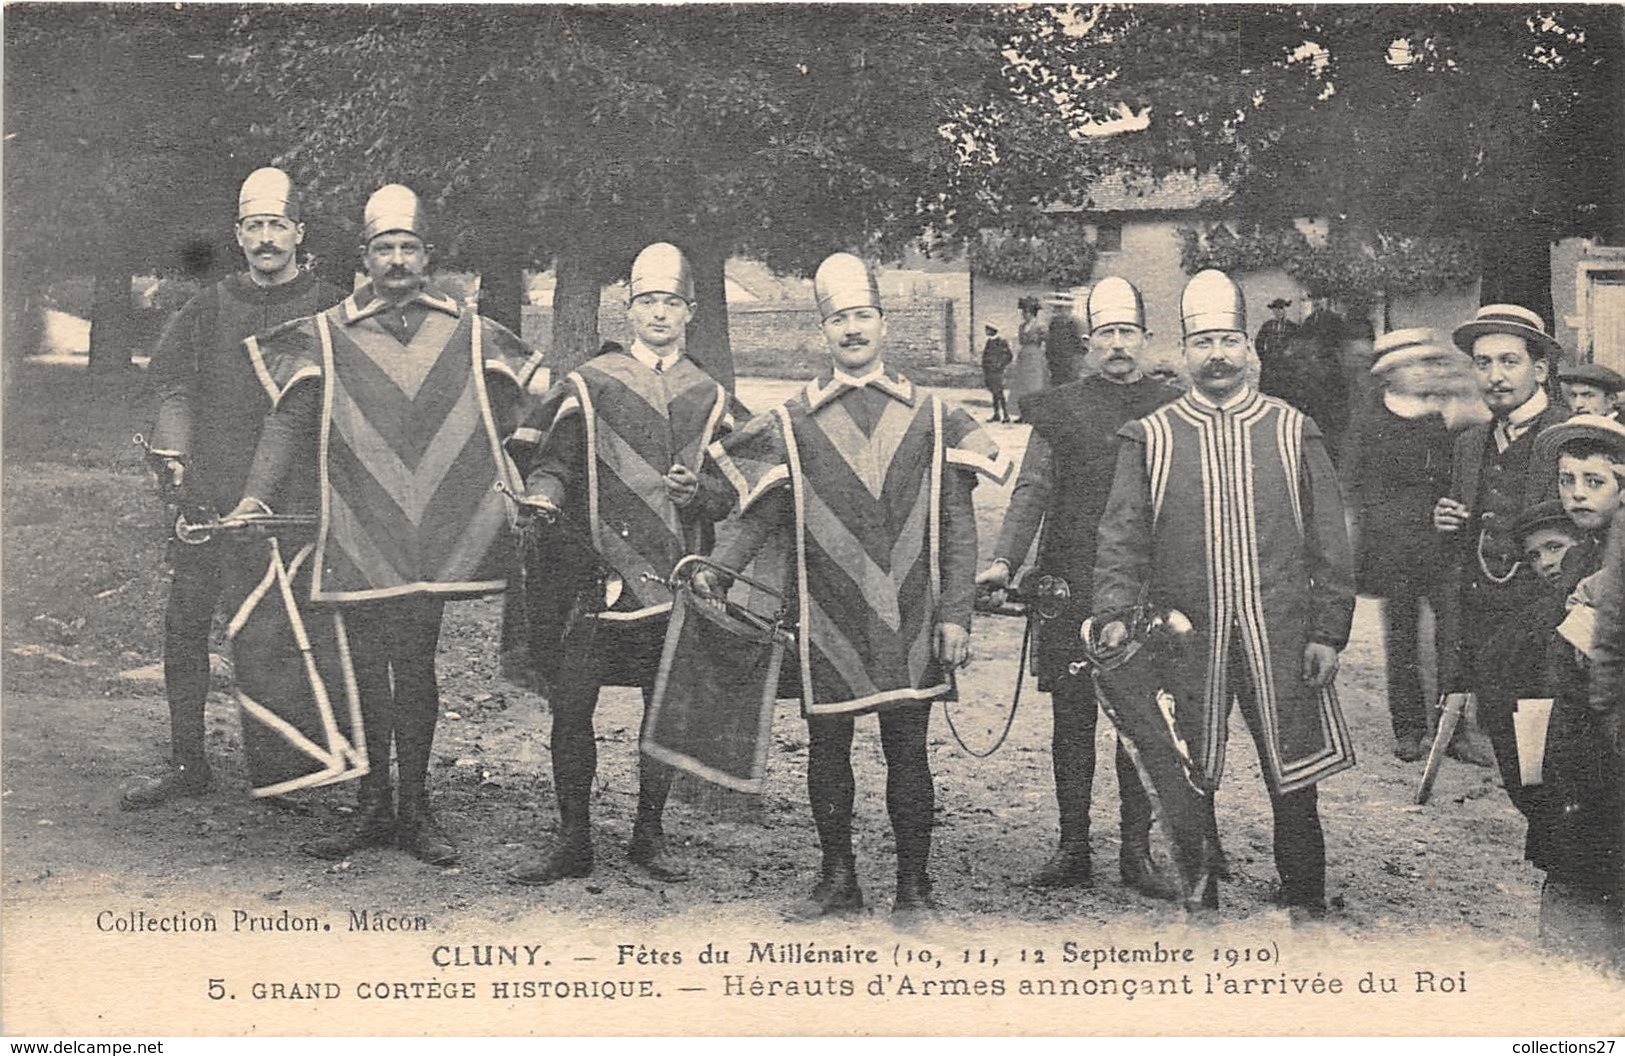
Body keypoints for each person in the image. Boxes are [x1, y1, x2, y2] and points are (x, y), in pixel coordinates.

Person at [228, 184, 542, 864]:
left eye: (407, 247)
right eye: (383, 249)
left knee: (417, 665)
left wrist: (522, 478)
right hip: (360, 527)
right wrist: (256, 496)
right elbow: (285, 417)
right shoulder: (327, 332)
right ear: (364, 258)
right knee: (367, 667)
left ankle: (416, 807)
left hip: (437, 535)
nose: (396, 260)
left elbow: (512, 413)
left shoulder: (468, 331)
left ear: (427, 256)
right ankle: (372, 805)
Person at [696, 252, 1007, 918]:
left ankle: (913, 888)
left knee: (907, 752)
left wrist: (956, 615)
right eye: (838, 319)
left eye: (862, 315)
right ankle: (838, 879)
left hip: (913, 613)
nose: (852, 329)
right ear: (823, 330)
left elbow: (957, 526)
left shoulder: (933, 416)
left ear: (883, 324)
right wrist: (717, 570)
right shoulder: (794, 421)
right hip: (824, 614)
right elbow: (763, 513)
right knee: (827, 747)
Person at [1093, 269, 1356, 917]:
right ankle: (1200, 892)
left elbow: (1331, 540)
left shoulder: (1293, 430)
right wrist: (1114, 613)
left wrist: (1327, 629)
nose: (1216, 355)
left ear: (1250, 350)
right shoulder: (1150, 436)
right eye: (1202, 342)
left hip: (1283, 633)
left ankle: (1304, 897)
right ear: (1181, 354)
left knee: (1293, 774)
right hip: (1186, 637)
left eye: (1228, 342)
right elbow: (1121, 535)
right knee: (1191, 772)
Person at [506, 243, 738, 886]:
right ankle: (573, 837)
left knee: (661, 709)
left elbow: (738, 487)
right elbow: (552, 462)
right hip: (595, 574)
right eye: (646, 302)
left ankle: (648, 834)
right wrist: (543, 500)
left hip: (677, 577)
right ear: (628, 309)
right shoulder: (591, 383)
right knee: (572, 704)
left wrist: (703, 494)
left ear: (689, 311)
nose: (658, 314)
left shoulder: (708, 394)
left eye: (670, 302)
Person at [124, 167, 347, 809]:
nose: (267, 238)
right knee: (187, 624)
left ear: (299, 233)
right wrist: (175, 453)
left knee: (282, 631)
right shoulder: (211, 304)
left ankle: (284, 767)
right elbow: (170, 381)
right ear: (239, 235)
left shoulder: (331, 306)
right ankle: (187, 762)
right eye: (256, 226)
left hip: (298, 503)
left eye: (279, 225)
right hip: (211, 496)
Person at [974, 276, 1180, 893]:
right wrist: (1005, 562)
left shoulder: (1174, 407)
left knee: (1142, 718)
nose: (1118, 345)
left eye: (1129, 333)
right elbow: (1032, 488)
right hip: (1069, 580)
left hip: (1146, 587)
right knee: (1073, 718)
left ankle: (1136, 852)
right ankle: (1072, 846)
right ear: (1090, 343)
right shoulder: (1059, 408)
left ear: (1146, 339)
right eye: (1107, 334)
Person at [1432, 304, 1572, 799]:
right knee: (1516, 771)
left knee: (1560, 768)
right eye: (1484, 363)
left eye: (1509, 362)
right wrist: (1447, 523)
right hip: (1489, 633)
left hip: (1552, 634)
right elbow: (1462, 548)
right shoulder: (1470, 443)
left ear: (1539, 370)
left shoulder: (1568, 436)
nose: (1495, 376)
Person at [1526, 416, 1625, 955]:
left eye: (1594, 482)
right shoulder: (1583, 551)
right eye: (1568, 480)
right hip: (1578, 735)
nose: (1577, 495)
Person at [1346, 330, 1458, 762]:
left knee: (1453, 633)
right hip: (1394, 547)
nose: (1423, 373)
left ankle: (1453, 724)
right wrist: (1403, 518)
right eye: (1413, 365)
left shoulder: (1439, 419)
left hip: (1442, 545)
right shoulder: (1371, 421)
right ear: (1389, 374)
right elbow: (1358, 488)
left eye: (1428, 365)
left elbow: (1453, 477)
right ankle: (1408, 727)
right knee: (1402, 637)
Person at [1009, 295, 1047, 419]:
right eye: (1023, 312)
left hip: (1035, 356)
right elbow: (1020, 341)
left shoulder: (1040, 327)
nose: (1024, 315)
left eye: (1027, 312)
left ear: (1032, 313)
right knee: (1021, 385)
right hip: (1024, 355)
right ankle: (1022, 414)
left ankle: (1033, 415)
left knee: (1034, 386)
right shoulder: (1022, 326)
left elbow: (1045, 341)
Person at [980, 324, 1013, 423]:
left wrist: (999, 365)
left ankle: (1006, 415)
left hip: (997, 371)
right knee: (994, 393)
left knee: (999, 393)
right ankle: (996, 414)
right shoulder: (989, 342)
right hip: (989, 371)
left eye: (988, 329)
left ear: (992, 330)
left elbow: (1008, 356)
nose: (986, 331)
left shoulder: (1001, 342)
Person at [1254, 297, 1298, 362]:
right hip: (1270, 361)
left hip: (1287, 362)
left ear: (1285, 310)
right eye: (1276, 309)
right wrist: (1263, 357)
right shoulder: (1267, 325)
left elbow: (1298, 344)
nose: (1279, 312)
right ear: (1273, 311)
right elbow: (1259, 342)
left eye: (1281, 308)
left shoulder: (1293, 327)